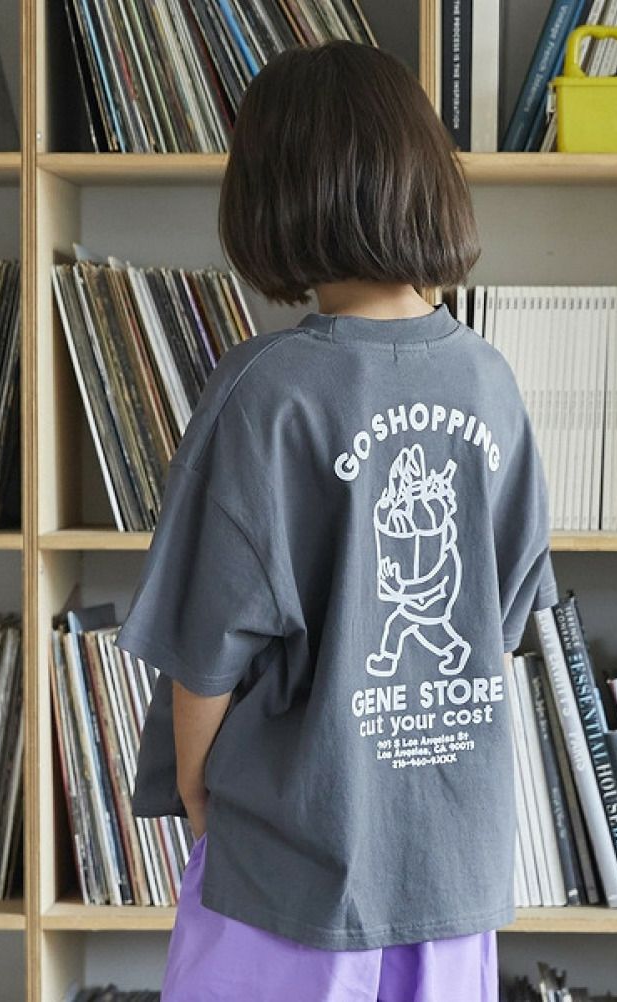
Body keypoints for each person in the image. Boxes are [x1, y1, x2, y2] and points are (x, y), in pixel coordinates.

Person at [114, 38, 558, 1002]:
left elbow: (208, 639)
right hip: (451, 873)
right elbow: (505, 617)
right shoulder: (489, 381)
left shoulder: (265, 391)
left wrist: (195, 786)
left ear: (272, 198)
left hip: (293, 873)